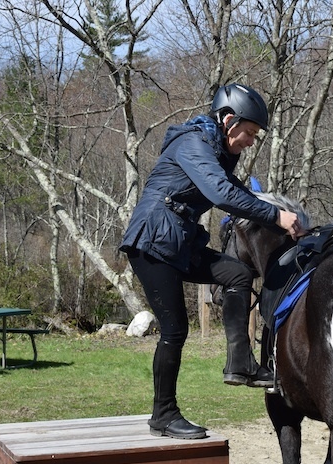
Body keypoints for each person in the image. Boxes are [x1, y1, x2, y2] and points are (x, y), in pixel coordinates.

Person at [119, 83, 303, 440]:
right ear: (229, 120)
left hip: (178, 245)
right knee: (175, 331)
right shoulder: (192, 144)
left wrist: (280, 214)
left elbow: (237, 190)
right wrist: (275, 217)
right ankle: (163, 415)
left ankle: (240, 363)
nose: (251, 141)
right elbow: (222, 193)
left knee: (236, 272)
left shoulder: (215, 151)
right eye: (249, 133)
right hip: (151, 243)